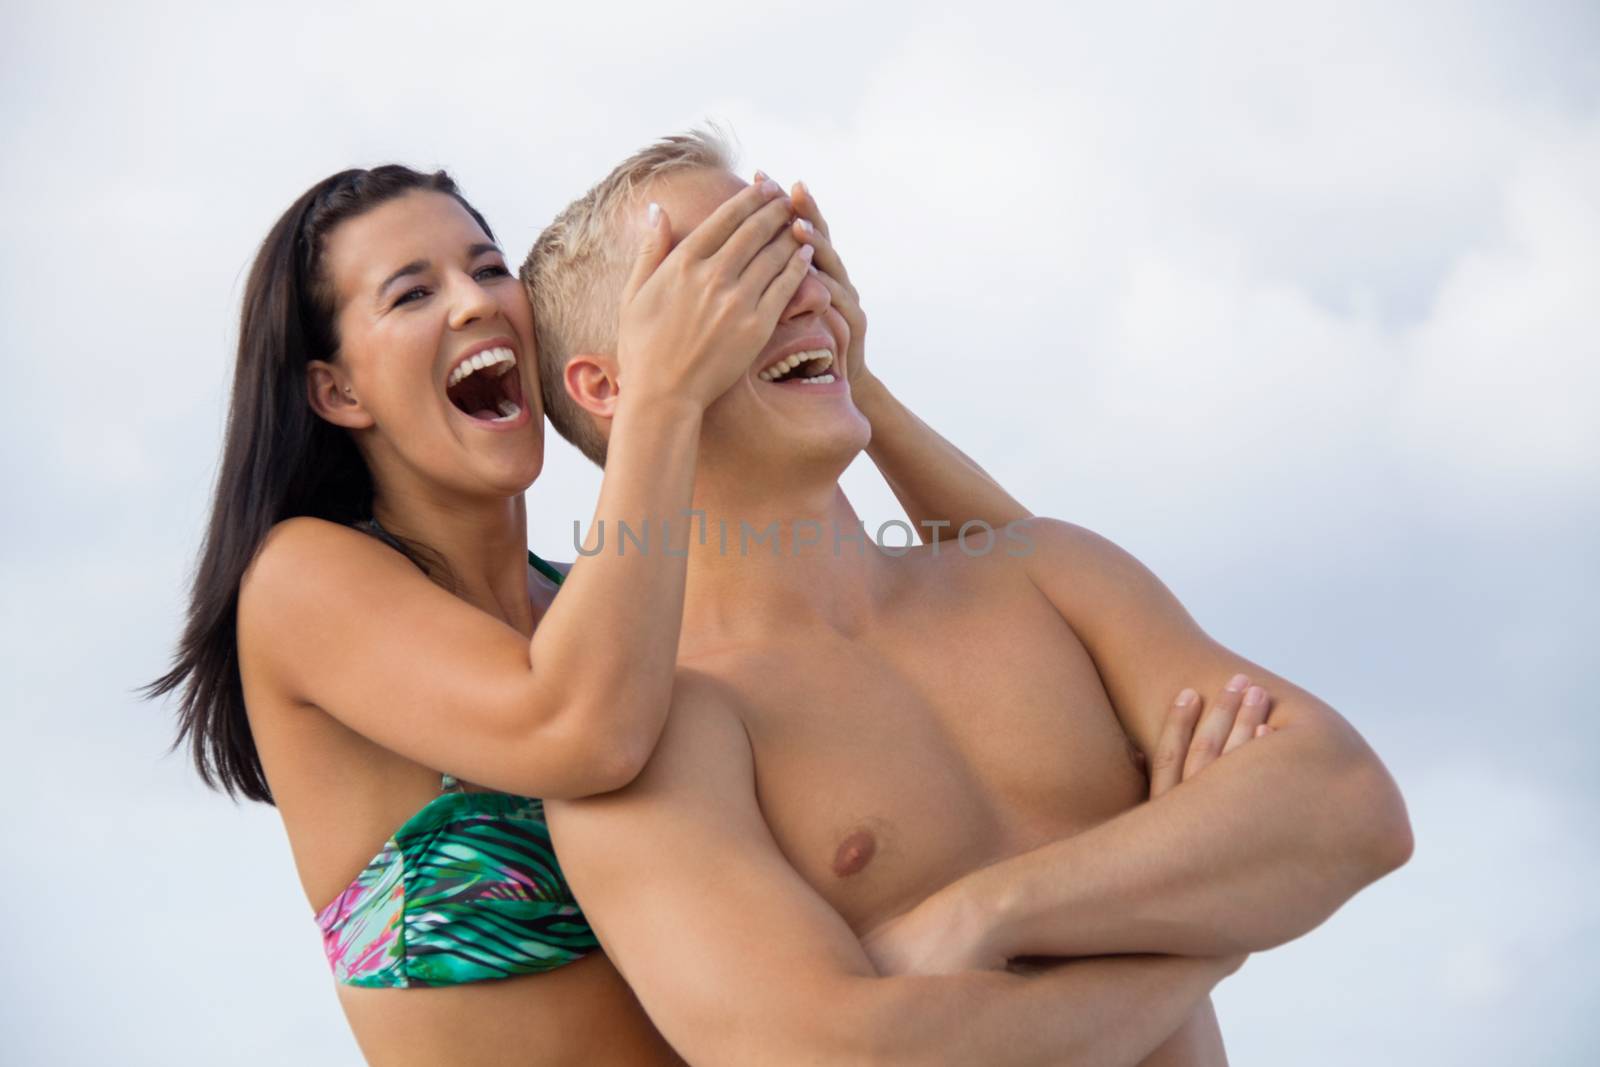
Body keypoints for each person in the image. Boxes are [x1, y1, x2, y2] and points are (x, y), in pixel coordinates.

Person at [529, 131, 1416, 1065]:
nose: (805, 292)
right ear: (610, 386)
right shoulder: (655, 734)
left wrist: (988, 912)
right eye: (730, 273)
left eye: (796, 254)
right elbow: (838, 1057)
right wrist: (1221, 917)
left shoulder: (1042, 574)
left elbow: (1353, 806)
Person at [144, 161, 1038, 1064]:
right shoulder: (301, 580)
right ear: (338, 391)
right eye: (413, 292)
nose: (474, 303)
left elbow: (1032, 600)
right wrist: (664, 396)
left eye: (489, 269)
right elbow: (578, 730)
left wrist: (856, 373)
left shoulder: (610, 612)